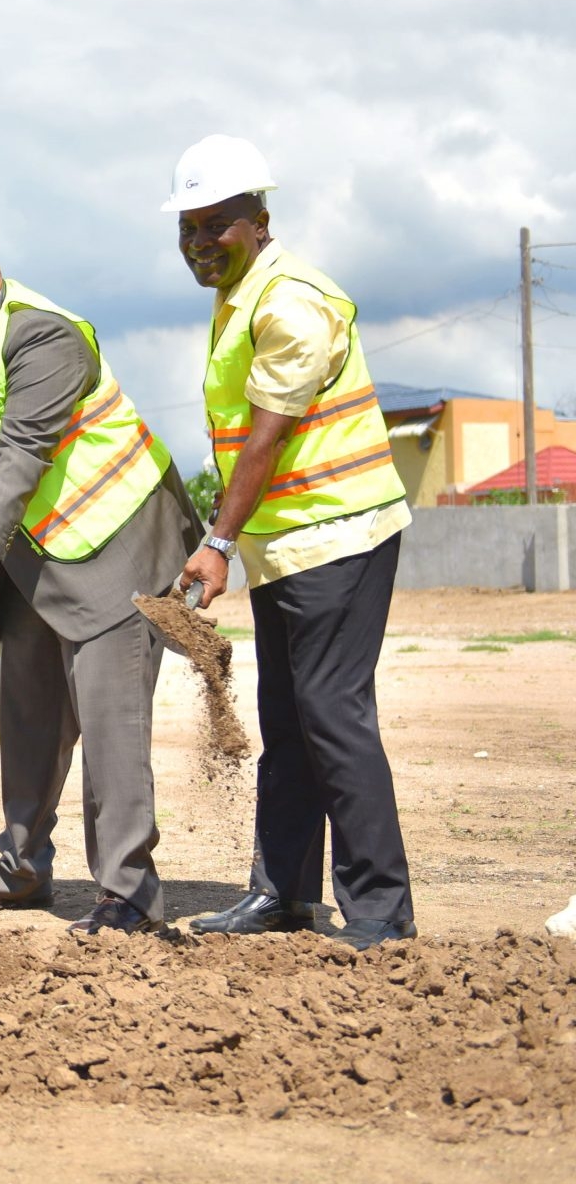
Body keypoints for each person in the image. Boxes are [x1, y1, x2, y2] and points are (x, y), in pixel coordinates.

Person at [0, 202, 202, 935]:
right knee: (30, 715)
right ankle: (21, 866)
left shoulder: (45, 335)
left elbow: (25, 453)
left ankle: (129, 891)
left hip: (118, 543)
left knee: (110, 723)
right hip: (36, 557)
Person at [167, 136, 417, 951]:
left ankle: (381, 913)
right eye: (189, 227)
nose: (202, 241)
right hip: (291, 544)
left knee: (333, 717)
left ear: (260, 221)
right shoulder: (242, 296)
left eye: (217, 225)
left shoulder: (290, 303)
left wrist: (216, 542)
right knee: (291, 718)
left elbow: (266, 439)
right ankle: (281, 893)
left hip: (338, 535)